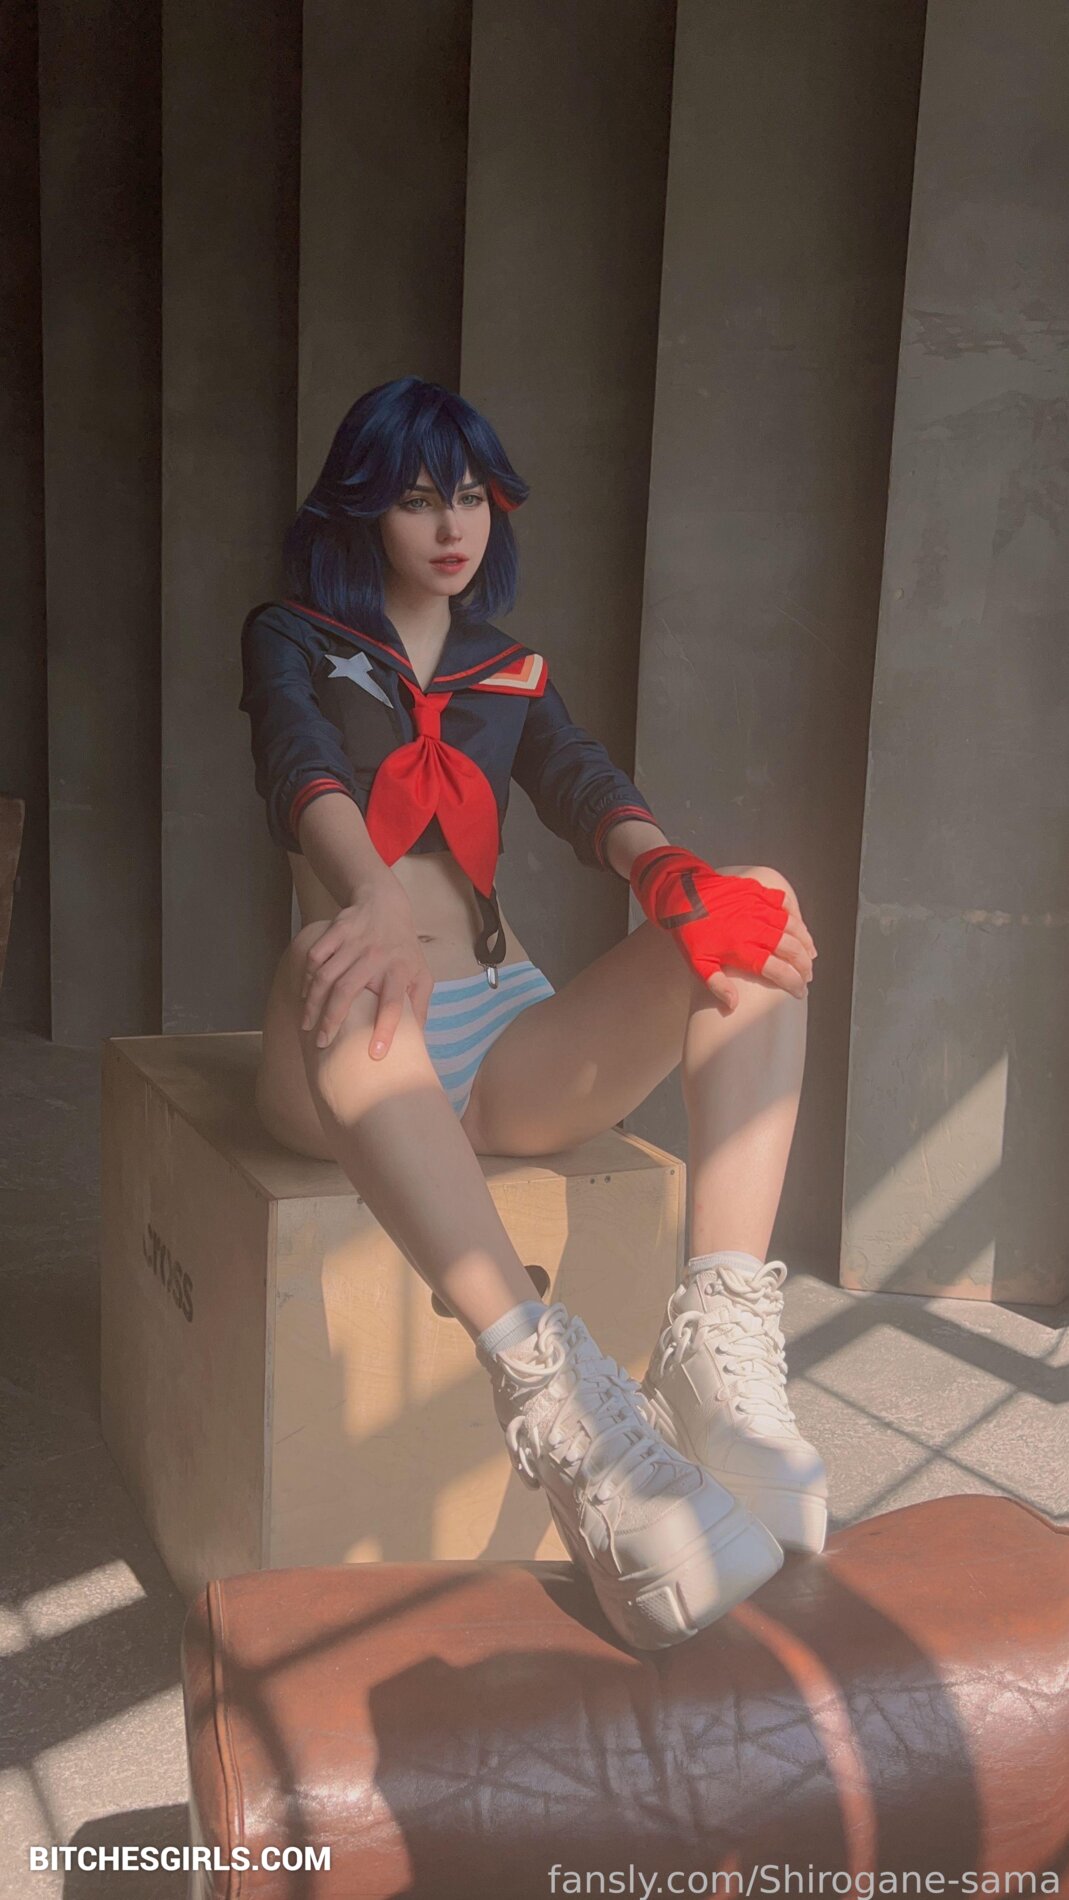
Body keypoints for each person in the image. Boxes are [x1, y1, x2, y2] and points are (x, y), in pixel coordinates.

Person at [240, 376, 825, 1652]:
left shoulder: (508, 669)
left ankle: (716, 1338)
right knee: (349, 968)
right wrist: (370, 901)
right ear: (364, 508)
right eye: (417, 498)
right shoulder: (292, 633)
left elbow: (578, 782)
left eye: (470, 496)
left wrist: (664, 871)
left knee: (754, 906)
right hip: (349, 1027)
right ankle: (561, 1413)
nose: (452, 524)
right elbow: (300, 761)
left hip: (503, 1029)